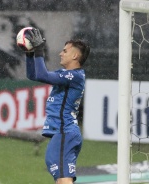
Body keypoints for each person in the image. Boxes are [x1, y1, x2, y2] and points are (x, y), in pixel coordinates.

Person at [23, 28, 90, 184]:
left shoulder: (74, 76)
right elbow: (33, 75)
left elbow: (42, 75)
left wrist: (39, 50)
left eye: (65, 51)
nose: (61, 53)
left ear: (75, 55)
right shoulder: (68, 75)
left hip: (65, 131)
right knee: (60, 178)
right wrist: (29, 54)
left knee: (63, 179)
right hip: (64, 133)